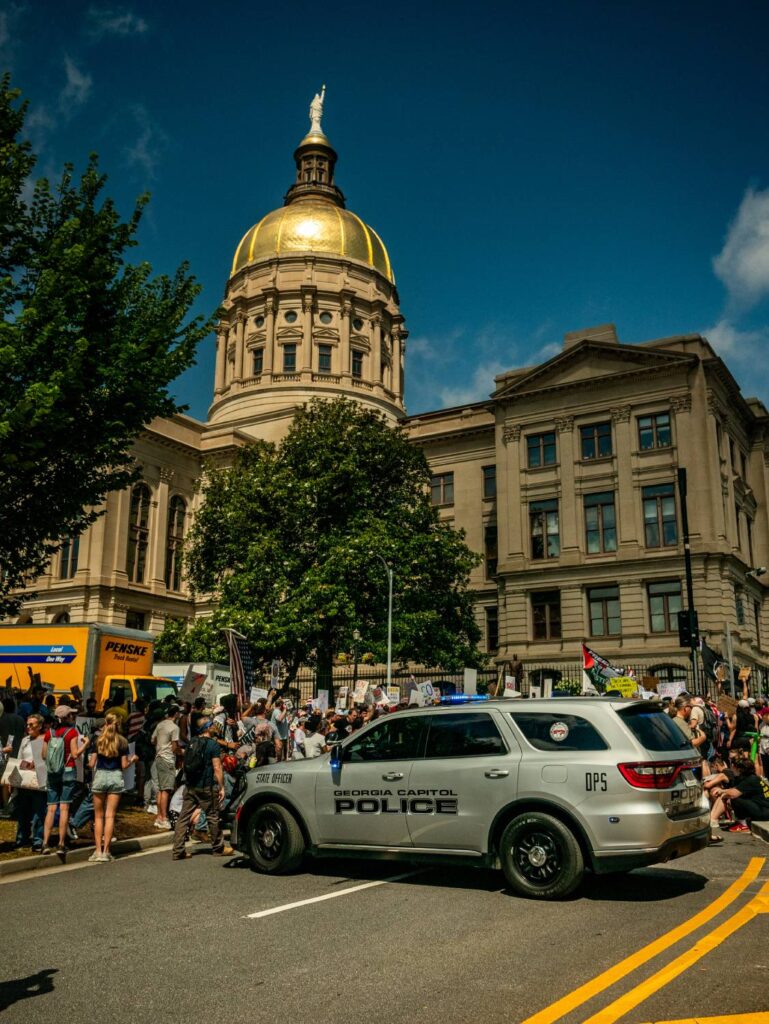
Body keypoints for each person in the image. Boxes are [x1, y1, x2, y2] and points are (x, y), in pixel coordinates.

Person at [172, 715, 232, 861]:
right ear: (207, 728)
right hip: (206, 786)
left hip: (190, 786)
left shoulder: (192, 742)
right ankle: (218, 847)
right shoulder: (213, 744)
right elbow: (217, 768)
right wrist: (222, 787)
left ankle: (178, 850)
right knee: (213, 816)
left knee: (183, 818)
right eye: (212, 725)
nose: (214, 727)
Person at [88, 712, 139, 862]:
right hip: (115, 776)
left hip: (100, 775)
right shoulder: (122, 741)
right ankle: (106, 851)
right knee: (110, 815)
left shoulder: (98, 740)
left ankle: (97, 851)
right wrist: (133, 760)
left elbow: (91, 764)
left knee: (98, 816)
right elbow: (124, 765)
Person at [41, 705, 90, 854]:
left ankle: (45, 843)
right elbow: (75, 754)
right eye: (71, 715)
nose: (72, 717)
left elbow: (43, 755)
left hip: (52, 773)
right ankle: (61, 844)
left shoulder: (49, 733)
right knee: (64, 808)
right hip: (68, 770)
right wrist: (86, 744)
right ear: (66, 717)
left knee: (51, 808)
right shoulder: (72, 732)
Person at [708, 757, 769, 835]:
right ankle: (713, 819)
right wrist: (722, 791)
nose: (732, 768)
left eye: (733, 767)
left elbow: (733, 793)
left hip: (764, 812)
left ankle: (743, 825)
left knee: (732, 798)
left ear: (739, 769)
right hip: (761, 808)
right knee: (726, 795)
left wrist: (722, 791)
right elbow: (735, 789)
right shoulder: (748, 778)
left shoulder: (751, 779)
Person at [14, 713, 47, 851]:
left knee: (39, 811)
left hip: (39, 779)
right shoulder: (25, 740)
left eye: (31, 724)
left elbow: (47, 759)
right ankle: (22, 838)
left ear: (39, 726)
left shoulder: (45, 740)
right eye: (27, 724)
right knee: (23, 810)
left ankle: (37, 840)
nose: (28, 727)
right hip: (25, 779)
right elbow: (19, 758)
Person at [151, 704, 181, 830]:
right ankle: (164, 818)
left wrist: (160, 746)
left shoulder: (160, 724)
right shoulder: (174, 727)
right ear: (176, 714)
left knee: (161, 789)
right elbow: (174, 747)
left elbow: (153, 740)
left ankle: (159, 817)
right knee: (166, 790)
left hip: (158, 757)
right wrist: (180, 753)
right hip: (167, 759)